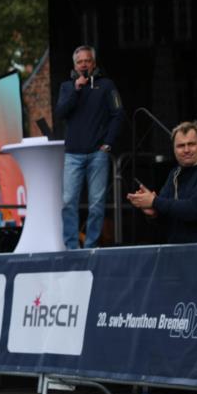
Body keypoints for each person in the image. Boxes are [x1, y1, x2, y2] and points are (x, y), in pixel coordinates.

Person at [55, 45, 124, 249]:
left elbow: (118, 114)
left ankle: (91, 246)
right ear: (75, 65)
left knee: (96, 204)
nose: (84, 64)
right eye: (80, 62)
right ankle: (71, 248)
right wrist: (77, 89)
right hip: (72, 155)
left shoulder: (107, 85)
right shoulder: (67, 87)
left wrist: (108, 143)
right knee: (68, 202)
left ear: (94, 63)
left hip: (97, 153)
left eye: (87, 61)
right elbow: (60, 113)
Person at [127, 121, 197, 243]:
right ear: (173, 149)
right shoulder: (175, 173)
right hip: (181, 251)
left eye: (191, 144)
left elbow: (195, 210)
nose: (186, 150)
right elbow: (167, 213)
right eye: (181, 146)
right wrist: (154, 213)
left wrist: (155, 201)